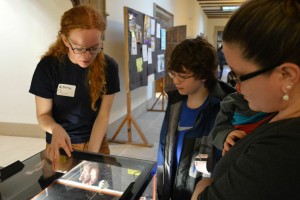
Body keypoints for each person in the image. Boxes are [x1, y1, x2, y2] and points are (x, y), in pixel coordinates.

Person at [192, 0, 300, 199]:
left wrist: (205, 184)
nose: (237, 87)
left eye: (240, 75)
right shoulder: (278, 113)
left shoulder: (282, 150)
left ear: (287, 75)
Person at [29, 5, 120, 182]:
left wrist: (92, 157)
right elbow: (43, 115)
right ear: (65, 40)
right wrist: (55, 128)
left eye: (94, 47)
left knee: (101, 190)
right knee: (60, 189)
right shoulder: (49, 68)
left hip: (95, 140)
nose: (87, 56)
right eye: (78, 48)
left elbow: (103, 116)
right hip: (61, 143)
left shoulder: (109, 67)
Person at [156, 36, 234, 200]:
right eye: (173, 74)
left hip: (199, 191)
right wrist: (159, 181)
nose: (176, 81)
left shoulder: (221, 109)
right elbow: (164, 143)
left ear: (203, 75)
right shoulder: (175, 102)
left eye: (183, 76)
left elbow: (220, 164)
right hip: (172, 186)